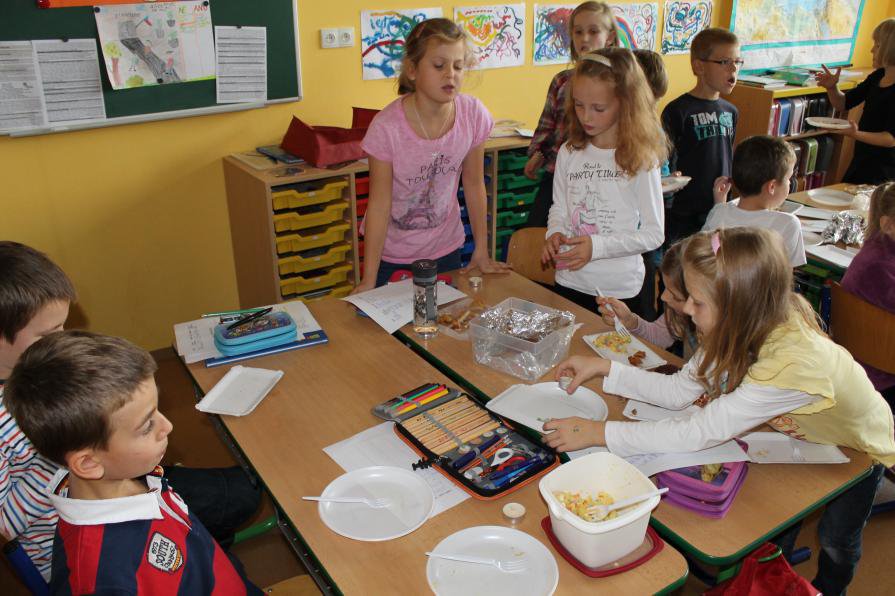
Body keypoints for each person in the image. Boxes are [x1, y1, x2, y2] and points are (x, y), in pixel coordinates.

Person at [544, 228, 895, 596]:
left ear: (736, 305)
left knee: (837, 539)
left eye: (697, 302)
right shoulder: (738, 324)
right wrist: (605, 368)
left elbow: (699, 431)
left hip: (859, 446)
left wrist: (599, 432)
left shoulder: (792, 364)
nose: (686, 310)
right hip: (804, 437)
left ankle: (830, 589)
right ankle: (778, 578)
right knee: (780, 525)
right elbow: (678, 391)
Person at [0, 241, 259, 579]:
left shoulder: (45, 365)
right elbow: (4, 524)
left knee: (244, 489)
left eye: (63, 326)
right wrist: (59, 454)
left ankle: (203, 549)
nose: (61, 339)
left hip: (119, 478)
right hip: (86, 536)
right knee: (241, 498)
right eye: (48, 334)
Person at [4, 331, 262, 594]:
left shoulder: (129, 473)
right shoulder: (104, 580)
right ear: (89, 463)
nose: (168, 426)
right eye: (147, 425)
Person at [354, 18, 508, 291]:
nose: (451, 74)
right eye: (439, 65)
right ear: (412, 70)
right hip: (392, 258)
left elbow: (474, 184)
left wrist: (482, 250)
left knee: (444, 316)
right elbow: (378, 204)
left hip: (446, 250)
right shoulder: (386, 128)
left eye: (458, 66)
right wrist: (368, 279)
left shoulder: (473, 115)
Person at [541, 47, 665, 318]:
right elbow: (559, 208)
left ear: (626, 103)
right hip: (570, 282)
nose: (586, 116)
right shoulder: (569, 152)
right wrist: (555, 233)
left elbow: (654, 234)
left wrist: (596, 247)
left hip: (619, 292)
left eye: (598, 108)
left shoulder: (641, 159)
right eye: (579, 105)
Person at [524, 2, 619, 227]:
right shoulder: (562, 81)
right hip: (558, 175)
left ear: (609, 37)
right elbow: (547, 125)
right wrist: (538, 152)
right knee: (537, 233)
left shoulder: (620, 82)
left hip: (602, 180)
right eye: (578, 32)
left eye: (593, 31)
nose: (584, 38)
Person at [662, 28, 740, 244]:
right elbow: (665, 160)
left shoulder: (731, 111)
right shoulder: (678, 110)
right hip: (683, 212)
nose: (734, 68)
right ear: (699, 66)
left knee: (714, 258)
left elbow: (727, 154)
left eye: (737, 61)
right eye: (725, 62)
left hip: (718, 206)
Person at [702, 135, 806, 267]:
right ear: (772, 187)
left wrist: (719, 205)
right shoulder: (789, 224)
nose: (790, 183)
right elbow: (787, 273)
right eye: (788, 178)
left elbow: (706, 249)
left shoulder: (718, 212)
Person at [817, 18, 895, 184]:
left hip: (886, 170)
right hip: (863, 160)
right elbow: (843, 103)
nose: (871, 50)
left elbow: (890, 139)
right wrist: (832, 88)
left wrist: (855, 134)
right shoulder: (877, 76)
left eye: (877, 45)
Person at [597, 241, 698, 360]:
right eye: (666, 288)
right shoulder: (676, 312)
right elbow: (659, 336)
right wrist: (630, 321)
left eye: (675, 296)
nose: (663, 297)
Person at [841, 181, 895, 403]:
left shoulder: (877, 247)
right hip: (880, 373)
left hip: (864, 364)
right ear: (888, 224)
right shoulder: (880, 266)